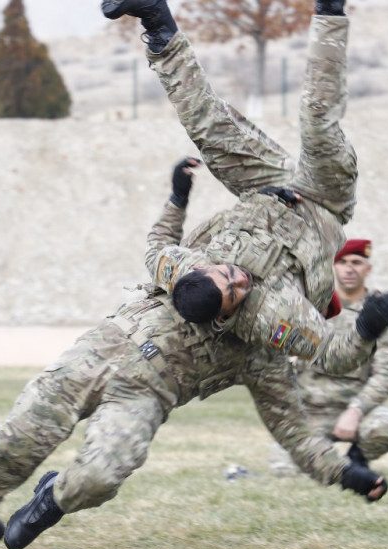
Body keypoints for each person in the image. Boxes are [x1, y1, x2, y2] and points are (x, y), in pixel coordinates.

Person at [0, 165, 388, 549]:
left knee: (101, 476)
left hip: (145, 395)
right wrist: (178, 194)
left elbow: (294, 433)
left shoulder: (260, 351)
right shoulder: (187, 265)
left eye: (235, 285)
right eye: (224, 278)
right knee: (25, 428)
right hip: (103, 348)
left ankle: (53, 498)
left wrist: (346, 475)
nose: (236, 277)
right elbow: (159, 243)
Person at [107, 0, 364, 365]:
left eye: (227, 274)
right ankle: (330, 12)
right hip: (323, 203)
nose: (240, 280)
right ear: (226, 315)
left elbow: (156, 248)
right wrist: (369, 327)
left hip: (265, 191)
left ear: (200, 267)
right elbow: (333, 355)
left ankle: (155, 18)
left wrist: (178, 198)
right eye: (236, 292)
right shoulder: (270, 315)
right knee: (318, 123)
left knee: (208, 129)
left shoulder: (184, 270)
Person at [268, 238, 388, 477]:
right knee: (285, 472)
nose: (349, 268)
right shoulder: (310, 305)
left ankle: (357, 459)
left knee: (385, 426)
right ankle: (321, 453)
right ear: (333, 266)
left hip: (355, 409)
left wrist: (356, 411)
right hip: (309, 411)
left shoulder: (379, 312)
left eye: (356, 262)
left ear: (368, 268)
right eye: (342, 262)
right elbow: (276, 345)